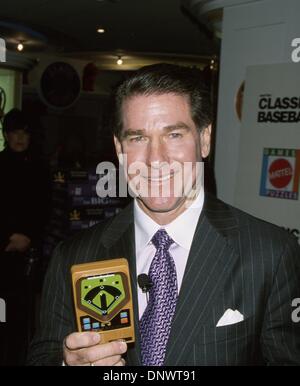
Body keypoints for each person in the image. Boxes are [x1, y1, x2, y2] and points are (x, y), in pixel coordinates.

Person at [28, 64, 300, 366]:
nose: (155, 159)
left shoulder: (271, 254)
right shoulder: (73, 257)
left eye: (173, 134)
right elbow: (42, 356)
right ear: (119, 148)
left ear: (205, 139)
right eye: (137, 138)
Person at [0, 108, 51, 365]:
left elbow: (45, 210)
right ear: (6, 135)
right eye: (14, 133)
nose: (19, 138)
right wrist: (7, 239)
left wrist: (28, 237)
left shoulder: (40, 169)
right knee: (1, 318)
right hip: (2, 254)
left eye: (24, 133)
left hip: (28, 258)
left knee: (21, 320)